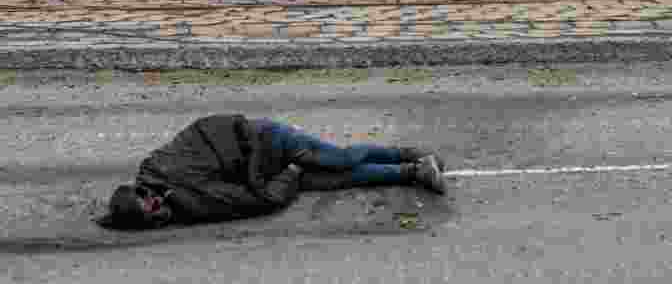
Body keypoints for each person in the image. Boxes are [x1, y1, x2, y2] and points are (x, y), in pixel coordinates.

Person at [95, 114, 447, 230]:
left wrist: (287, 169)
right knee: (338, 177)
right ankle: (414, 170)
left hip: (266, 144)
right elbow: (260, 197)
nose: (158, 213)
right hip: (260, 162)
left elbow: (260, 200)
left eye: (151, 207)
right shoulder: (165, 182)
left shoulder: (180, 191)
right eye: (151, 217)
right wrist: (285, 174)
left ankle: (411, 156)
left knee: (337, 160)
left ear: (145, 193)